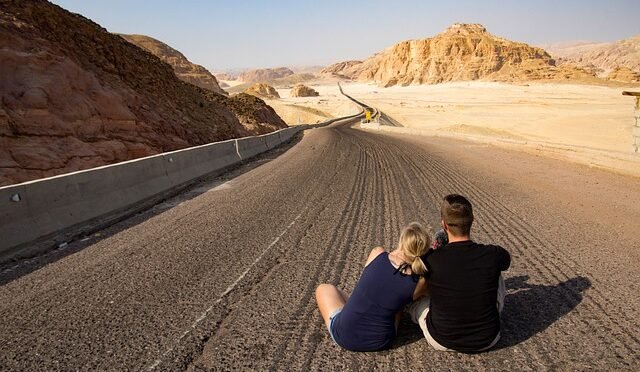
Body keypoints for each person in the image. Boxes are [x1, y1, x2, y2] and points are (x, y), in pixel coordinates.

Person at [409, 194, 510, 352]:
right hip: (488, 339)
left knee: (420, 303)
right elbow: (506, 261)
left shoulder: (431, 259)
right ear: (472, 221)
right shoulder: (492, 254)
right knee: (496, 270)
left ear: (444, 225)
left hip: (441, 339)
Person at [315, 222, 431, 351]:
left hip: (344, 336)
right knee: (399, 303)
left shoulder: (377, 253)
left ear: (402, 242)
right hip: (381, 341)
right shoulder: (419, 282)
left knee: (324, 288)